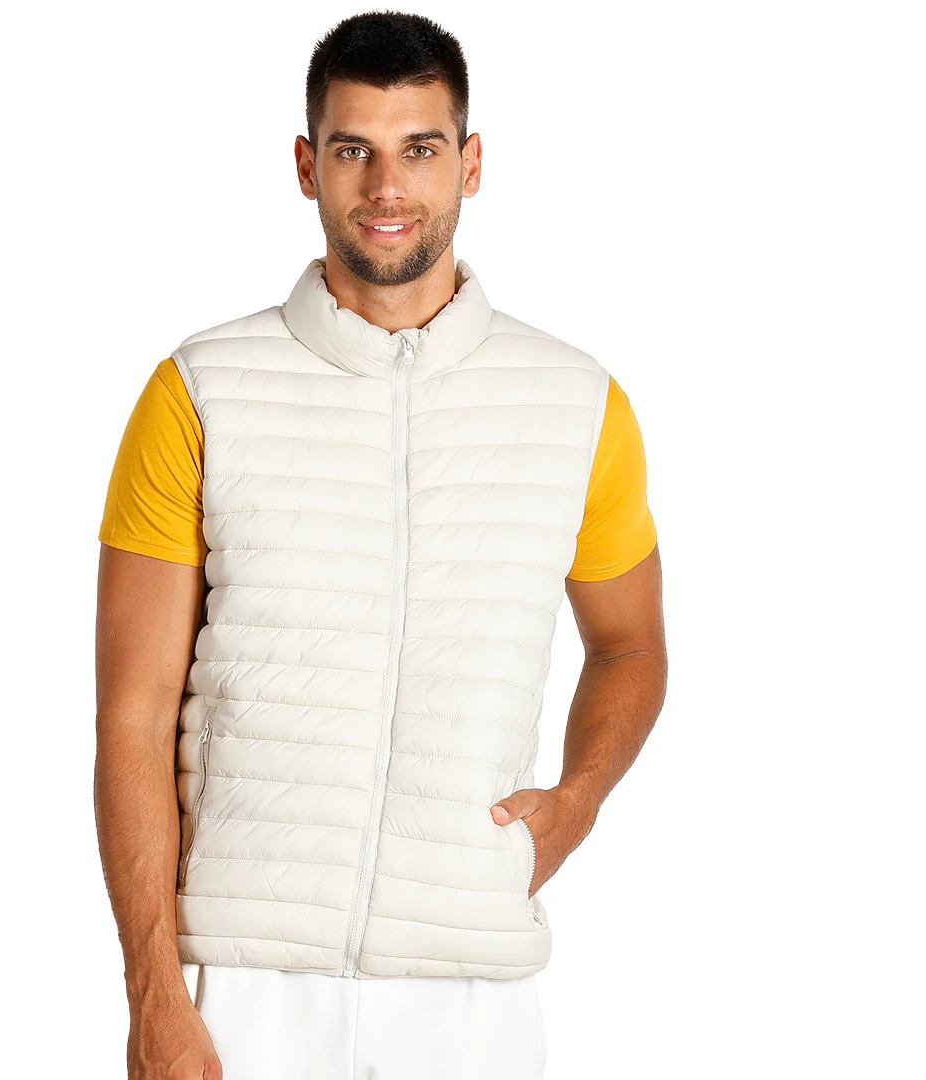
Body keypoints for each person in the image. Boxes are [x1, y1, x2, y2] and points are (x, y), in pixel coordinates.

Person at [94, 11, 667, 1080]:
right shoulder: (199, 394)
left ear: (472, 163)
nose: (387, 186)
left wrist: (577, 802)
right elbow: (131, 717)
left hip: (471, 988)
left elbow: (630, 645)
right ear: (306, 166)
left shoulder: (579, 405)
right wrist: (153, 994)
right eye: (353, 148)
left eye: (421, 148)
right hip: (243, 985)